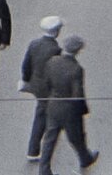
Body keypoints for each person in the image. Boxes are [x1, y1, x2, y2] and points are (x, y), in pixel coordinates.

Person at [37, 35, 99, 175]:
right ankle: (85, 158)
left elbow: (46, 83)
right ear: (77, 51)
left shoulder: (52, 61)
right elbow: (78, 95)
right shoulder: (76, 69)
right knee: (76, 137)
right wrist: (82, 110)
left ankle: (44, 170)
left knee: (49, 139)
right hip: (69, 110)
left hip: (53, 105)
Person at [19, 15, 64, 162]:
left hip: (36, 85)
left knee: (42, 111)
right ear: (56, 31)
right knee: (41, 116)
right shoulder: (55, 49)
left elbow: (26, 64)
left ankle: (34, 149)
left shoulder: (34, 44)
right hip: (48, 88)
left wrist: (26, 80)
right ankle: (33, 150)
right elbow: (55, 71)